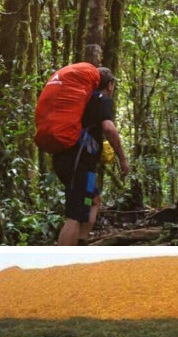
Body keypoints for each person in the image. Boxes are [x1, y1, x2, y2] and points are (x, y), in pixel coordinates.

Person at [52, 67, 129, 246]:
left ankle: (81, 244)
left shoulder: (84, 100)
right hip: (77, 163)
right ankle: (64, 261)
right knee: (74, 215)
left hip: (76, 162)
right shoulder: (101, 100)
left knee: (93, 200)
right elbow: (109, 129)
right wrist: (122, 159)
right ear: (110, 85)